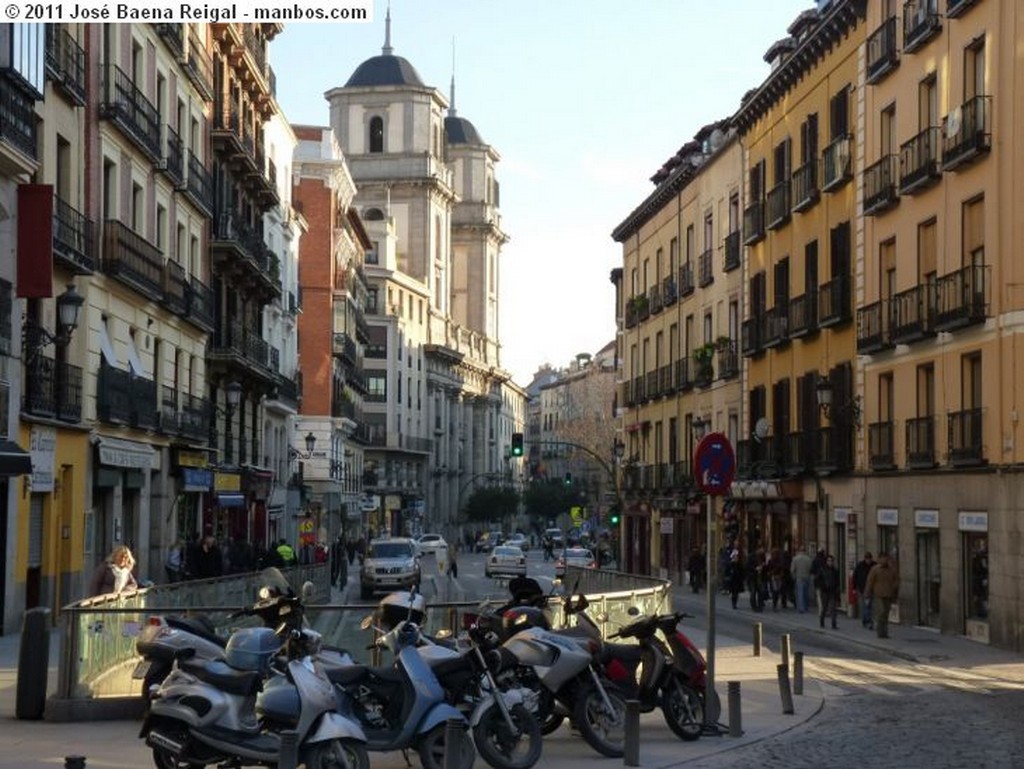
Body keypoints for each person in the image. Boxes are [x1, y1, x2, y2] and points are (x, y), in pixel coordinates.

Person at [865, 552, 899, 639]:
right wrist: (867, 594)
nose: (885, 560)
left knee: (886, 614)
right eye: (883, 559)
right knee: (881, 612)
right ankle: (880, 632)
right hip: (878, 595)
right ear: (880, 559)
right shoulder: (875, 569)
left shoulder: (891, 569)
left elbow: (896, 579)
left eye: (887, 559)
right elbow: (870, 582)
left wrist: (894, 588)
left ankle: (885, 632)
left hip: (888, 594)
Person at [815, 554, 842, 629]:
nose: (830, 562)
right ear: (826, 561)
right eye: (829, 561)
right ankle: (822, 621)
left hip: (832, 591)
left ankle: (834, 624)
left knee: (833, 608)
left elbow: (837, 581)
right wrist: (821, 586)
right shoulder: (822, 569)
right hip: (824, 591)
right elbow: (817, 580)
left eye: (831, 561)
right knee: (825, 608)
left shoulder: (835, 570)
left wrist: (837, 590)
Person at [852, 552, 876, 629]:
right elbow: (855, 576)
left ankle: (866, 620)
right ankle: (868, 621)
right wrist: (854, 587)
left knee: (868, 606)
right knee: (866, 605)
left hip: (872, 589)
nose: (868, 560)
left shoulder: (874, 565)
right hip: (863, 589)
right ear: (865, 559)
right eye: (867, 559)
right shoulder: (860, 566)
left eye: (869, 559)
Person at [790, 546, 813, 614]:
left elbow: (792, 570)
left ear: (799, 551)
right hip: (807, 577)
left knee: (800, 593)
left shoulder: (795, 559)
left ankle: (801, 608)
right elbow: (810, 568)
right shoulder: (809, 559)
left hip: (799, 577)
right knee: (805, 593)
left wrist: (794, 577)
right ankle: (806, 606)